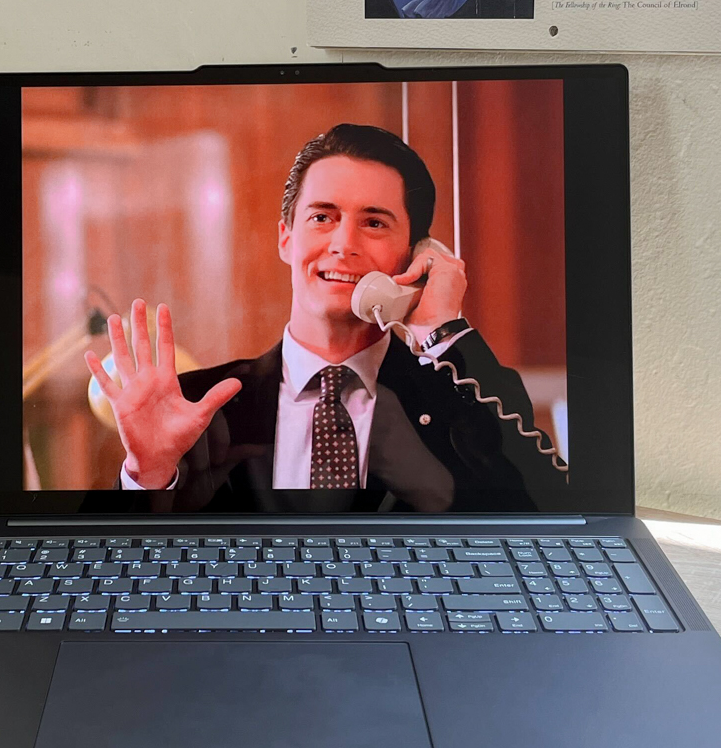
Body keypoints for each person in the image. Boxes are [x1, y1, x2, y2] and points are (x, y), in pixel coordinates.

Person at [85, 123, 566, 511]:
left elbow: (550, 512)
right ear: (286, 238)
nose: (343, 244)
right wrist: (147, 476)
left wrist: (443, 330)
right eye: (322, 217)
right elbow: (128, 575)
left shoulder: (461, 399)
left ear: (417, 253)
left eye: (374, 222)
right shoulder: (198, 407)